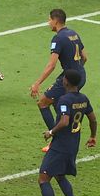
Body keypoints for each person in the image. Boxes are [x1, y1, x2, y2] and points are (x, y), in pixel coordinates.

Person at [36, 69, 96, 196]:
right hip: (73, 145)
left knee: (43, 178)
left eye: (63, 78)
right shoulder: (84, 99)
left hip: (60, 146)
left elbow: (64, 121)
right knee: (59, 175)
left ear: (66, 82)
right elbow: (93, 119)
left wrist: (50, 132)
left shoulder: (64, 100)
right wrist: (92, 136)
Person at [30, 9, 87, 141]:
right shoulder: (74, 33)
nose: (48, 23)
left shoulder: (58, 38)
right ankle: (68, 130)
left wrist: (37, 83)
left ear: (55, 21)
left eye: (49, 20)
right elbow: (84, 57)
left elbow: (51, 65)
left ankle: (57, 137)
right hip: (81, 76)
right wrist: (76, 69)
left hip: (69, 79)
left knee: (43, 103)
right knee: (59, 103)